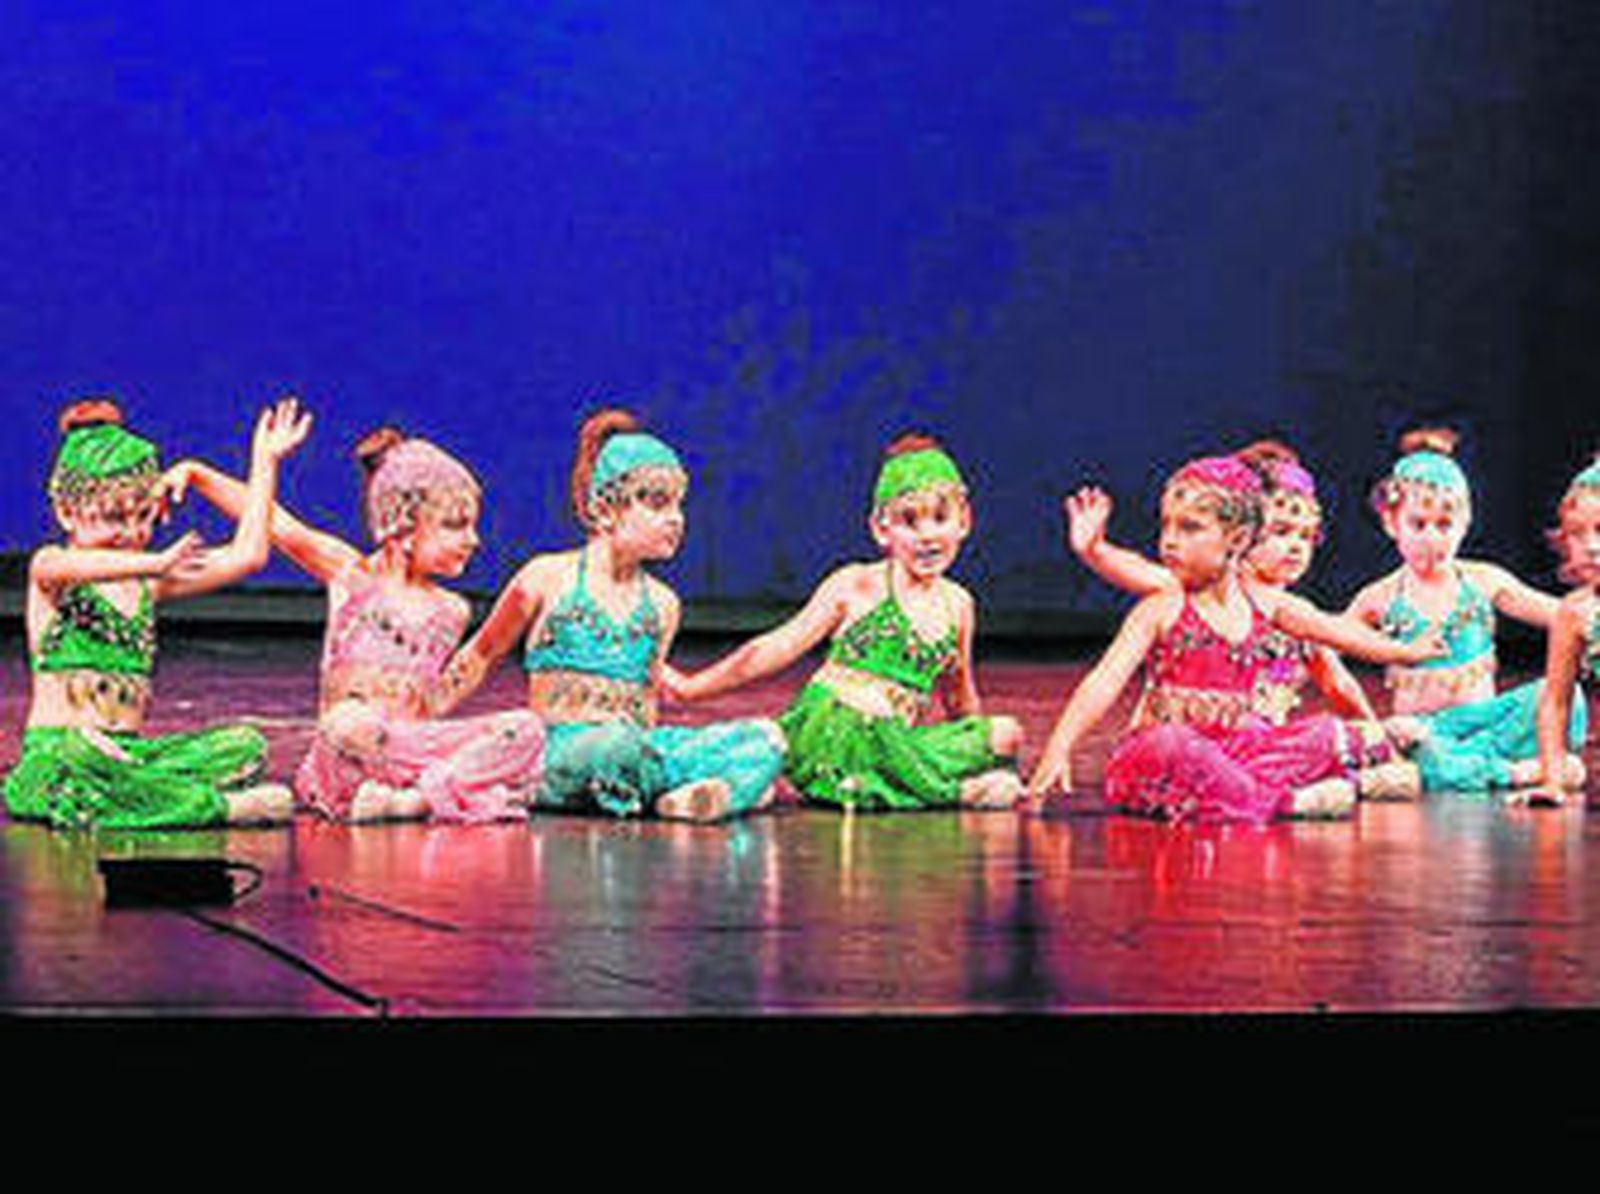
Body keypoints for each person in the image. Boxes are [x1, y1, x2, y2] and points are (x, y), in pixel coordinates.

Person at [1027, 453, 1444, 823]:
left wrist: (1406, 652)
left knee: (1322, 732)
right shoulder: (1165, 605)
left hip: (1243, 750)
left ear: (1239, 539)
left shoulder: (1271, 606)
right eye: (1167, 525)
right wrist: (1058, 747)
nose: (1169, 540)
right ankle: (1285, 801)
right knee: (1173, 745)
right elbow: (1104, 680)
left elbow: (1338, 634)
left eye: (1188, 528)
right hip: (1170, 758)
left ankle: (1302, 780)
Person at [170, 425, 545, 822]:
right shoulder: (352, 576)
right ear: (403, 526)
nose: (473, 540)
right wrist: (198, 475)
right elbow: (278, 524)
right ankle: (411, 793)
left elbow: (439, 696)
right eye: (455, 525)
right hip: (350, 750)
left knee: (526, 729)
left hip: (406, 753)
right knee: (352, 723)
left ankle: (413, 800)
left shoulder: (452, 610)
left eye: (472, 526)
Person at [429, 409, 784, 822]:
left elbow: (647, 705)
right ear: (605, 509)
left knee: (766, 738)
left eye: (678, 505)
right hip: (563, 750)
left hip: (633, 748)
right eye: (657, 503)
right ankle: (718, 790)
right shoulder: (547, 577)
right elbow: (481, 654)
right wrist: (423, 714)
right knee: (613, 746)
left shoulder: (663, 604)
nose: (675, 519)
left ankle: (687, 799)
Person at [665, 433, 1024, 811]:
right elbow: (777, 646)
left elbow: (958, 696)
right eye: (909, 522)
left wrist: (981, 750)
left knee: (1007, 734)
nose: (928, 536)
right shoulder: (858, 584)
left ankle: (906, 782)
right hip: (835, 734)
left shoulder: (958, 605)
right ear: (881, 528)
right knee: (870, 738)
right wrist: (693, 687)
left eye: (940, 518)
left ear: (964, 521)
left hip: (894, 742)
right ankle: (947, 791)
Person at [4, 396, 307, 830]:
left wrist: (263, 462)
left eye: (143, 515)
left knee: (245, 747)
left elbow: (249, 555)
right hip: (62, 758)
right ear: (66, 512)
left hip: (129, 755)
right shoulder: (52, 570)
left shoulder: (146, 582)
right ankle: (215, 808)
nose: (131, 532)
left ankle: (145, 793)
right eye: (114, 517)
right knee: (80, 755)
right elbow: (63, 566)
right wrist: (157, 562)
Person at [1345, 427, 1587, 799]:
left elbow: (1562, 615)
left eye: (1444, 526)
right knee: (1426, 752)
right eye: (1418, 525)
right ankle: (1518, 771)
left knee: (1565, 696)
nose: (1432, 538)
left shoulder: (1484, 581)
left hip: (1486, 721)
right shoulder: (1379, 597)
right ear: (1391, 523)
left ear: (1465, 523)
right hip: (1427, 731)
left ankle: (1479, 765)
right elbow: (1329, 637)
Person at [1532, 455, 1600, 804]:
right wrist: (1552, 782)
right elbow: (1555, 703)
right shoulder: (1573, 612)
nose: (1591, 546)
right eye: (1577, 533)